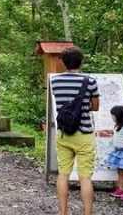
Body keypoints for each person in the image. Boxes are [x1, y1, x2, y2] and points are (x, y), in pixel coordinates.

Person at [51, 47, 100, 215]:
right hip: (84, 133)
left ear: (64, 63)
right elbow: (95, 107)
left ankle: (63, 212)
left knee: (63, 173)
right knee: (85, 177)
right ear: (81, 61)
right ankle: (87, 213)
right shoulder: (90, 81)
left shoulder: (55, 81)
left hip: (64, 133)